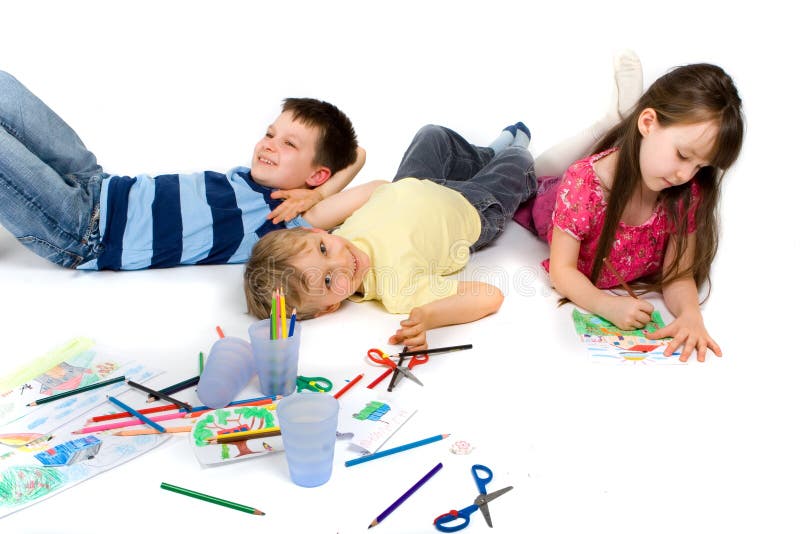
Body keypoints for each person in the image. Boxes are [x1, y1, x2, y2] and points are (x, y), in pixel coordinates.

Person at [0, 70, 365, 270]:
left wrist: (317, 196)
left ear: (319, 173)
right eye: (270, 133)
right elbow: (353, 157)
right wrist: (316, 188)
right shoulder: (255, 181)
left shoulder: (286, 220)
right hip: (99, 183)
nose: (269, 144)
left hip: (84, 232)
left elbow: (365, 170)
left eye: (289, 144)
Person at [513, 51, 745, 362]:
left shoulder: (685, 191)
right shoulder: (583, 184)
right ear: (648, 122)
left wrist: (691, 315)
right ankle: (609, 122)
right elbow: (562, 271)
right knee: (525, 175)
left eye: (700, 166)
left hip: (622, 166)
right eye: (683, 155)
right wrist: (606, 304)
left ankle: (620, 123)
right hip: (549, 199)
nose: (686, 175)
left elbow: (678, 275)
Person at [243, 123, 536, 351]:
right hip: (472, 208)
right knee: (518, 160)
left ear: (315, 232)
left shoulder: (339, 234)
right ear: (330, 306)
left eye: (323, 248)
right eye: (330, 281)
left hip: (414, 183)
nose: (341, 260)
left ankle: (487, 153)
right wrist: (431, 316)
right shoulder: (397, 289)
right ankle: (507, 151)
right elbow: (489, 296)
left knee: (432, 135)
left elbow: (380, 188)